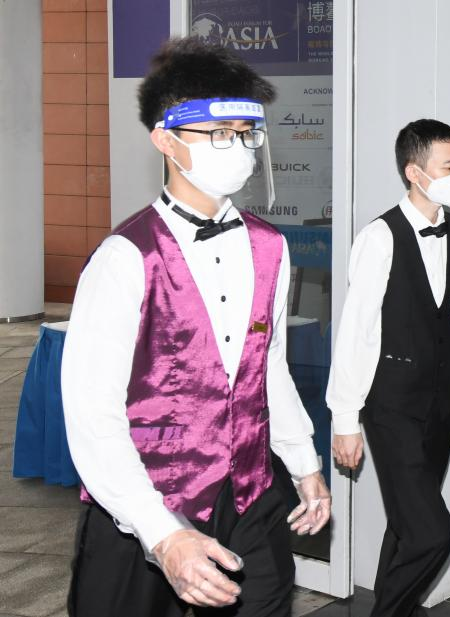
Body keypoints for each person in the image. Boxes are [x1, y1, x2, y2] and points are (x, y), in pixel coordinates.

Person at [62, 37, 330, 617]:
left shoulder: (271, 246)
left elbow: (267, 367)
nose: (239, 148)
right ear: (166, 140)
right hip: (145, 502)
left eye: (247, 133)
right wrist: (162, 533)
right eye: (220, 133)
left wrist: (304, 463)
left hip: (250, 494)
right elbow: (92, 415)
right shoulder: (125, 257)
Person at [327, 119, 450, 617]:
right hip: (390, 406)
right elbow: (357, 332)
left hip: (442, 406)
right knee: (432, 535)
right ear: (415, 172)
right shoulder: (380, 237)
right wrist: (345, 418)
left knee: (408, 526)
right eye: (448, 167)